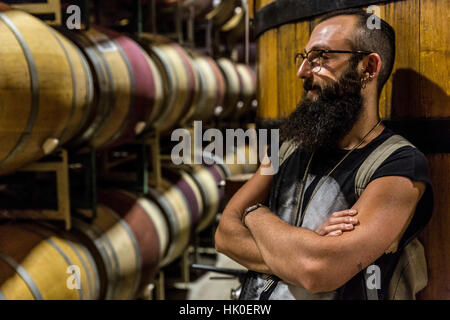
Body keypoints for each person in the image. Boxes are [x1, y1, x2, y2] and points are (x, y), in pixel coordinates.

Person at [214, 8, 433, 300]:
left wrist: (255, 214)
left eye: (321, 57)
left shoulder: (398, 165)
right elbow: (224, 235)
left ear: (368, 67)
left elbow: (317, 270)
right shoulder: (287, 143)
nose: (302, 72)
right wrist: (303, 251)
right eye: (304, 58)